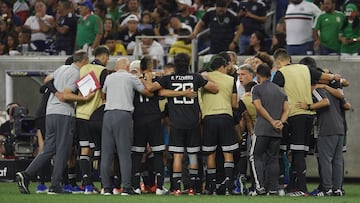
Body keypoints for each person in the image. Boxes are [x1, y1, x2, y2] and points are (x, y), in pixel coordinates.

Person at [16, 50, 94, 194]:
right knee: (63, 150)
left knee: (48, 149)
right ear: (83, 61)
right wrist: (85, 99)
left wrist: (55, 91)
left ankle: (26, 175)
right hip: (64, 114)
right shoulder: (75, 73)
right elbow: (66, 96)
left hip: (50, 113)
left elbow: (46, 80)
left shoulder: (62, 69)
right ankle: (55, 185)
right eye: (87, 61)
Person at [145, 53, 218, 195]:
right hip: (192, 121)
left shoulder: (168, 78)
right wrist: (205, 80)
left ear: (175, 64)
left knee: (177, 155)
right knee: (192, 155)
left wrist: (147, 77)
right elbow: (214, 89)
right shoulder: (196, 77)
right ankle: (192, 187)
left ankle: (177, 188)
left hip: (176, 122)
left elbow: (151, 89)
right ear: (188, 62)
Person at [272, 48, 341, 196]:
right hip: (309, 116)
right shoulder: (305, 69)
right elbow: (328, 77)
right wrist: (335, 76)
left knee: (295, 152)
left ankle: (301, 190)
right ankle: (292, 187)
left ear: (278, 62)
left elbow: (274, 94)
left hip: (294, 114)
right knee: (300, 152)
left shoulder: (280, 73)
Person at [100, 57, 153, 195]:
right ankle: (127, 188)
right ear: (128, 67)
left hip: (108, 115)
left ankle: (106, 188)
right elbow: (147, 92)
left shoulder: (109, 78)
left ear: (117, 67)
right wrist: (141, 79)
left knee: (106, 154)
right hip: (123, 115)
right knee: (124, 154)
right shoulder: (131, 78)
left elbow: (103, 94)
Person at [296, 82, 345, 196]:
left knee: (326, 160)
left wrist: (308, 106)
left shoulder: (317, 90)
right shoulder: (334, 92)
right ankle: (337, 189)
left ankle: (327, 189)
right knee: (337, 160)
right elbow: (346, 105)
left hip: (327, 129)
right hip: (340, 128)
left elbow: (325, 102)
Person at [200, 55, 238, 195]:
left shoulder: (203, 77)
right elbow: (234, 104)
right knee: (228, 153)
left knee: (211, 154)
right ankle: (229, 186)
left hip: (209, 118)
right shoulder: (230, 80)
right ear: (222, 67)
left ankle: (211, 187)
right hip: (226, 116)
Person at [250, 63, 289, 195]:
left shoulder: (257, 89)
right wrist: (280, 122)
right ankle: (273, 188)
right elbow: (286, 109)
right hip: (277, 131)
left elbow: (258, 107)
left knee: (255, 157)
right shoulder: (280, 90)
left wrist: (272, 121)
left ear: (258, 75)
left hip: (262, 129)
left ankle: (259, 187)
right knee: (273, 158)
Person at [76, 46, 109, 194]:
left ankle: (87, 185)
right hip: (94, 116)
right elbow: (104, 95)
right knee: (99, 150)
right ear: (105, 57)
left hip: (80, 114)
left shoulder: (82, 68)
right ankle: (104, 185)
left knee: (84, 150)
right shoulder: (103, 71)